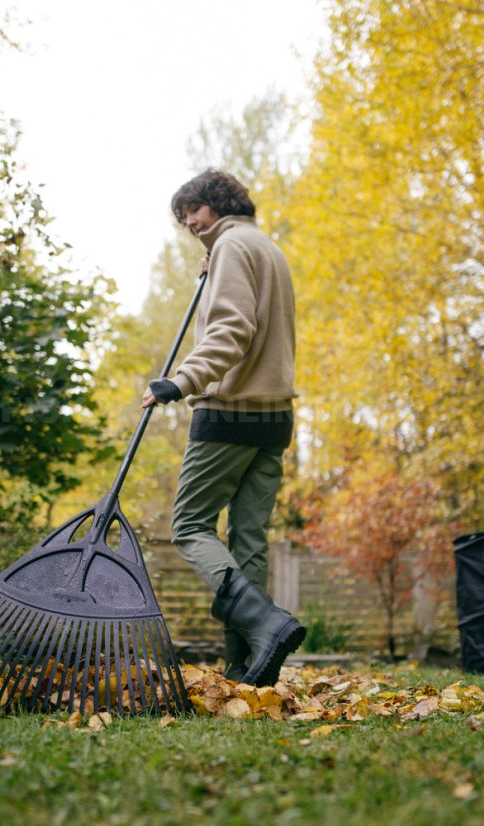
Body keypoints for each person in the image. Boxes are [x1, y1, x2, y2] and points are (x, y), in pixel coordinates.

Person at [141, 168, 305, 686]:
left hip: (229, 411)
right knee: (248, 540)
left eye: (193, 210)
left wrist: (181, 381)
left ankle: (263, 620)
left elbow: (233, 327)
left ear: (218, 203)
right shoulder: (266, 249)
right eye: (183, 217)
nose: (189, 221)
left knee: (188, 526)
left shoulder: (234, 247)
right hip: (274, 416)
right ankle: (248, 663)